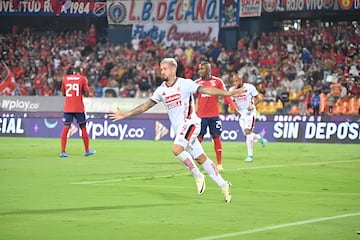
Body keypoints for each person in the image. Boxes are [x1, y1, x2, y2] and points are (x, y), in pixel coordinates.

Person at [109, 58, 247, 203]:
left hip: (191, 123)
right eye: (161, 69)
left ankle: (198, 175)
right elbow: (145, 106)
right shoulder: (161, 90)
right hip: (181, 130)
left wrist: (228, 94)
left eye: (165, 69)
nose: (162, 71)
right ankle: (223, 184)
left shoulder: (185, 84)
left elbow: (206, 90)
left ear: (173, 69)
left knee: (177, 149)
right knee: (201, 158)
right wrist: (125, 114)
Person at [194, 61, 238, 171]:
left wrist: (234, 107)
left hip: (214, 116)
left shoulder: (217, 81)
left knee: (216, 137)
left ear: (208, 70)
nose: (199, 71)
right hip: (201, 117)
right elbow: (188, 97)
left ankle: (219, 164)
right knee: (199, 138)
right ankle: (197, 161)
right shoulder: (196, 83)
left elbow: (226, 95)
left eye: (202, 69)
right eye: (199, 69)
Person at [230, 73, 267, 162]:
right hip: (241, 114)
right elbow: (232, 102)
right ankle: (259, 137)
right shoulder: (232, 90)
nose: (234, 83)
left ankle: (250, 156)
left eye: (236, 81)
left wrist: (252, 105)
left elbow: (258, 98)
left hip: (250, 112)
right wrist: (235, 111)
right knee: (247, 134)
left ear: (241, 80)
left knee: (247, 131)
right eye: (233, 81)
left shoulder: (250, 87)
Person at [59, 67, 96, 157]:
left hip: (68, 108)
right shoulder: (83, 79)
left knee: (66, 128)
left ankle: (63, 152)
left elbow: (63, 93)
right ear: (80, 72)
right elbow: (87, 94)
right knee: (83, 128)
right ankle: (87, 151)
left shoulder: (65, 79)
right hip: (79, 108)